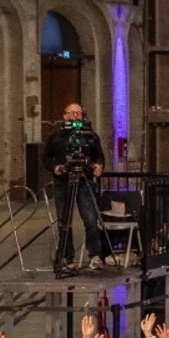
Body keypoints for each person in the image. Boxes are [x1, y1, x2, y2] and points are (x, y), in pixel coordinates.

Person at [44, 102, 110, 273]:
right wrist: (56, 168)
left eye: (78, 113)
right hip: (63, 182)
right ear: (64, 115)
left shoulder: (91, 136)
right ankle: (67, 257)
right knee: (64, 221)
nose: (74, 116)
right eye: (71, 113)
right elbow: (46, 157)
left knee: (90, 219)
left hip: (84, 181)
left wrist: (98, 166)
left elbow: (99, 157)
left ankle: (95, 255)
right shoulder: (55, 136)